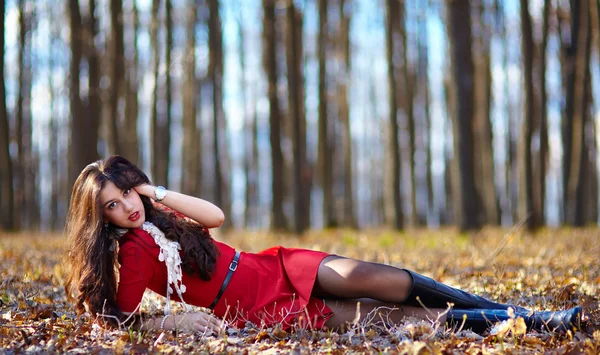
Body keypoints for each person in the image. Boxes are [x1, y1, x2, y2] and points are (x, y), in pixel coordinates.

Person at [65, 156, 582, 335]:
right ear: (100, 216)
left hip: (276, 266)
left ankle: (530, 315)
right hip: (255, 308)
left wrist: (154, 192)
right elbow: (120, 316)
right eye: (112, 204)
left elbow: (217, 217)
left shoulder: (161, 213)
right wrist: (171, 320)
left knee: (390, 280)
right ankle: (529, 321)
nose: (127, 207)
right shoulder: (130, 253)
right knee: (392, 318)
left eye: (127, 191)